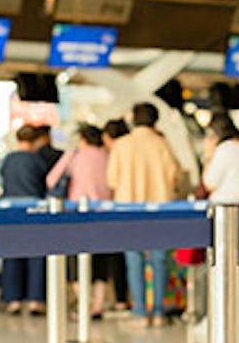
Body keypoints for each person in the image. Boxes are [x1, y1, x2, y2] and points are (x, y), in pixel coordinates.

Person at [107, 104, 180, 328]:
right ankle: (158, 311)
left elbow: (112, 179)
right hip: (159, 209)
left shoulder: (122, 145)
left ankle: (140, 311)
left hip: (129, 210)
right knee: (159, 260)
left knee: (134, 259)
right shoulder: (162, 144)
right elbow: (174, 175)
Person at [47, 124, 112, 318]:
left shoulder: (75, 155)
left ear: (82, 139)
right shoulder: (107, 155)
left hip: (77, 213)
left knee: (76, 260)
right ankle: (98, 305)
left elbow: (52, 180)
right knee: (100, 260)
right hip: (104, 213)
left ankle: (84, 305)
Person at [0, 126, 50, 315]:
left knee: (12, 253)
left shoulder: (8, 160)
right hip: (34, 209)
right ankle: (35, 300)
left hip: (10, 211)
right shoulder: (37, 160)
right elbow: (46, 184)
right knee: (36, 255)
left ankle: (13, 300)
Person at [101, 118, 130, 310]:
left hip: (121, 207)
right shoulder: (159, 143)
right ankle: (150, 306)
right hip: (154, 209)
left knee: (122, 256)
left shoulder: (118, 150)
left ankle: (124, 300)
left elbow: (111, 181)